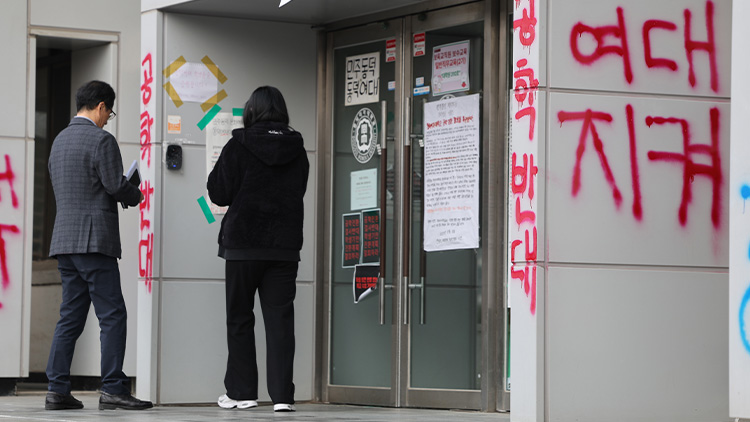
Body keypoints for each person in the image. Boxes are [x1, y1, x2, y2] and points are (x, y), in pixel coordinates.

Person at [45, 80, 152, 411]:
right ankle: (113, 388)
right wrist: (136, 193)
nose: (108, 119)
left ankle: (57, 389)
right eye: (110, 112)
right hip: (94, 242)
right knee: (113, 315)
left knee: (70, 317)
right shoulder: (102, 140)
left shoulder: (59, 141)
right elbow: (114, 185)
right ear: (102, 106)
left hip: (65, 241)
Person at [207, 86, 309, 412]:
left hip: (243, 246)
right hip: (283, 247)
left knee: (240, 318)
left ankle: (242, 393)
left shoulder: (239, 143)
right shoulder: (298, 147)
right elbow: (299, 190)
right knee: (280, 322)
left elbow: (219, 192)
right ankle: (282, 397)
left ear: (252, 110)